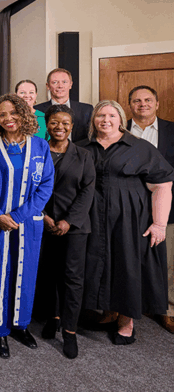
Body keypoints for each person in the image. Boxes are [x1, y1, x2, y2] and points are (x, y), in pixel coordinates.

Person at [80, 100, 173, 345]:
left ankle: (126, 321)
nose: (106, 120)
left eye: (112, 115)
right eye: (100, 115)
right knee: (98, 263)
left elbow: (162, 186)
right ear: (93, 120)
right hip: (92, 217)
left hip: (130, 218)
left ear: (121, 119)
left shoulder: (140, 147)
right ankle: (108, 312)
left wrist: (159, 224)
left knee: (127, 266)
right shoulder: (83, 147)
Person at [0, 94, 54, 359]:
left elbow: (45, 186)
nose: (8, 118)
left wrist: (20, 216)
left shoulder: (41, 146)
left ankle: (20, 325)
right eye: (2, 115)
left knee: (26, 273)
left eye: (14, 113)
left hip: (28, 224)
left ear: (24, 114)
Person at [38, 105, 95, 359]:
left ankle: (70, 331)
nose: (59, 127)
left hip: (74, 228)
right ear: (46, 124)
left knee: (72, 279)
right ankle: (53, 317)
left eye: (65, 122)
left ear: (72, 126)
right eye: (54, 122)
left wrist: (68, 221)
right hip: (42, 223)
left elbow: (87, 192)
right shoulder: (37, 152)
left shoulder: (83, 155)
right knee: (48, 274)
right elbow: (28, 188)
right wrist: (44, 217)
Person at [126, 85, 174, 333]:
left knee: (169, 260)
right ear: (130, 105)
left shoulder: (172, 130)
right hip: (130, 205)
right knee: (130, 256)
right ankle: (130, 305)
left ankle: (168, 310)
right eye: (136, 100)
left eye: (147, 100)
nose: (142, 104)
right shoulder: (120, 130)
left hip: (168, 204)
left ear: (156, 103)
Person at [34, 68, 93, 143]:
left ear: (70, 84)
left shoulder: (86, 110)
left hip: (79, 153)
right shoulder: (36, 110)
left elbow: (91, 138)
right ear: (48, 86)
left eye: (64, 82)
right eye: (55, 82)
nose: (60, 86)